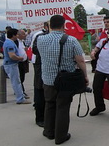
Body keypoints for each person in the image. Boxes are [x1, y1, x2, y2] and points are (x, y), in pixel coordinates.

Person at [37, 15, 88, 145]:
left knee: (49, 105)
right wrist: (85, 76)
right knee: (63, 108)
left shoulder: (40, 39)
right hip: (64, 81)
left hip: (47, 79)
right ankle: (61, 136)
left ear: (49, 25)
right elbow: (80, 60)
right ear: (63, 25)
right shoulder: (71, 40)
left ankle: (48, 131)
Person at [3, 28, 31, 104]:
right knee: (16, 82)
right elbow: (12, 55)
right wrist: (20, 58)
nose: (17, 36)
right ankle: (20, 98)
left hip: (12, 64)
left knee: (17, 81)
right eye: (16, 34)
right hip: (11, 64)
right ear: (13, 35)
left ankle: (21, 95)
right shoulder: (10, 44)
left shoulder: (10, 42)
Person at [31, 22, 49, 128]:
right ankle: (40, 118)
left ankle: (49, 116)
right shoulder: (40, 37)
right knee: (40, 92)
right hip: (41, 67)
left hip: (52, 69)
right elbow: (34, 50)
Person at [16, 29, 29, 98]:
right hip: (19, 62)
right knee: (20, 78)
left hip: (23, 61)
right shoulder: (16, 42)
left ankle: (19, 90)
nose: (25, 35)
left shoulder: (22, 42)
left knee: (22, 77)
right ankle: (21, 92)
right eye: (23, 34)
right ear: (19, 35)